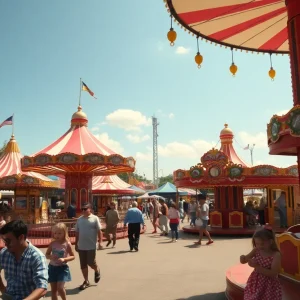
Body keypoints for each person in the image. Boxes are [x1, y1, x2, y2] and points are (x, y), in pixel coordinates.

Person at [0, 220, 48, 300]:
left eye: (8, 241)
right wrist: (2, 289)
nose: (6, 244)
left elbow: (42, 288)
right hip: (10, 296)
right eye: (4, 241)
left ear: (21, 238)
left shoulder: (36, 257)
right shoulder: (4, 253)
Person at [240, 227, 282, 299]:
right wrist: (242, 258)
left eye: (262, 244)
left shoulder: (276, 255)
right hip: (255, 282)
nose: (259, 246)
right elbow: (245, 259)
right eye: (257, 243)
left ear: (271, 242)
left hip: (269, 284)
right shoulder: (256, 250)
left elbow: (274, 273)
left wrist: (256, 266)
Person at [75, 203, 102, 290]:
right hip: (81, 246)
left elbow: (99, 231)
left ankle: (97, 270)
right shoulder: (79, 220)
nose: (83, 211)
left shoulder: (95, 218)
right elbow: (77, 232)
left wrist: (100, 242)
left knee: (91, 262)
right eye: (82, 209)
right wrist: (76, 243)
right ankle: (86, 281)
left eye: (85, 209)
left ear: (89, 209)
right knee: (83, 264)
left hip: (91, 245)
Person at [46, 223, 75, 300]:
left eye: (59, 233)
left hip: (62, 268)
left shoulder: (67, 243)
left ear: (64, 233)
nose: (57, 235)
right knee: (54, 290)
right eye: (55, 233)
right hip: (52, 268)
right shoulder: (52, 243)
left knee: (60, 287)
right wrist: (51, 256)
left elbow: (73, 256)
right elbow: (47, 254)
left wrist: (64, 259)